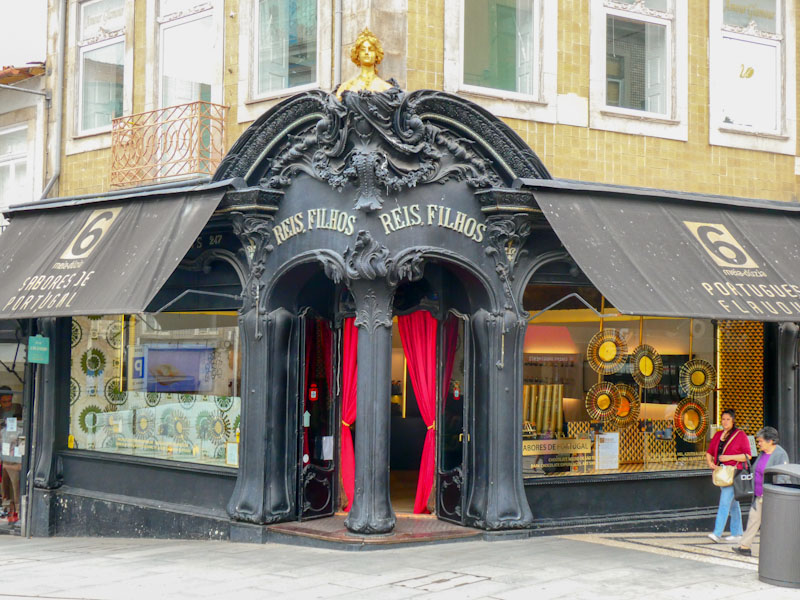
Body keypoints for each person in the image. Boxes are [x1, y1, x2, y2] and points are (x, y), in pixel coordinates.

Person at [732, 426, 790, 556]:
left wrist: (772, 492)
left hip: (771, 496)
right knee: (753, 519)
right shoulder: (763, 453)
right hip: (758, 495)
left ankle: (779, 549)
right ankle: (744, 546)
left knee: (774, 524)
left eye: (761, 441)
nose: (758, 444)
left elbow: (783, 476)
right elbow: (755, 470)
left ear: (770, 441)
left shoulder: (780, 454)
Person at [705, 409, 751, 543]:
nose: (725, 422)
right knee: (733, 504)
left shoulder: (740, 435)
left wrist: (728, 457)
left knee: (724, 502)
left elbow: (747, 455)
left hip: (733, 473)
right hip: (721, 473)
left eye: (728, 419)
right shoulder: (718, 435)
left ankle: (717, 533)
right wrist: (710, 463)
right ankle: (737, 533)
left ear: (733, 420)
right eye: (723, 419)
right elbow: (709, 452)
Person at [335, 28, 393, 99]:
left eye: (370, 49)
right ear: (357, 55)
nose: (366, 52)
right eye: (363, 49)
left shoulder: (386, 88)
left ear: (376, 55)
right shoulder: (346, 87)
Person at [0, 386, 22, 524]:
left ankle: (16, 510)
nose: (7, 404)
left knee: (15, 483)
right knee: (4, 484)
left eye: (9, 401)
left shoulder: (18, 408)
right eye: (4, 402)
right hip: (3, 446)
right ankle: (7, 508)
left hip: (14, 447)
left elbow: (21, 424)